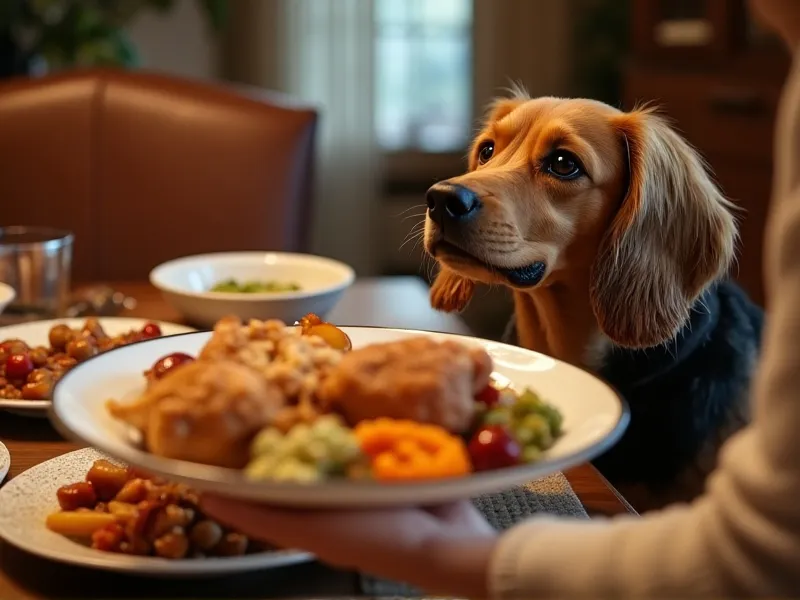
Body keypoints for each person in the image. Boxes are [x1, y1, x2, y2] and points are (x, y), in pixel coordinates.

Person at [202, 1, 800, 596]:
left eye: (561, 165)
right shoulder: (511, 394)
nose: (460, 191)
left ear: (638, 217)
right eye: (490, 151)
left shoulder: (738, 428)